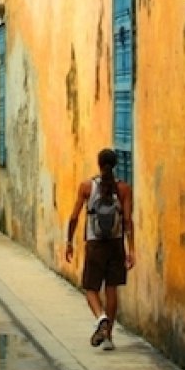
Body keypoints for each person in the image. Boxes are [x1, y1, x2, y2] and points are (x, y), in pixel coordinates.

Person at [64, 148, 135, 352]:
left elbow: (74, 217)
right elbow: (128, 221)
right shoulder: (123, 189)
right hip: (115, 243)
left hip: (95, 244)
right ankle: (109, 337)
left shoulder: (87, 187)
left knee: (91, 288)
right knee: (111, 288)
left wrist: (69, 241)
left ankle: (100, 318)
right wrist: (132, 250)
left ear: (98, 163)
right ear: (115, 165)